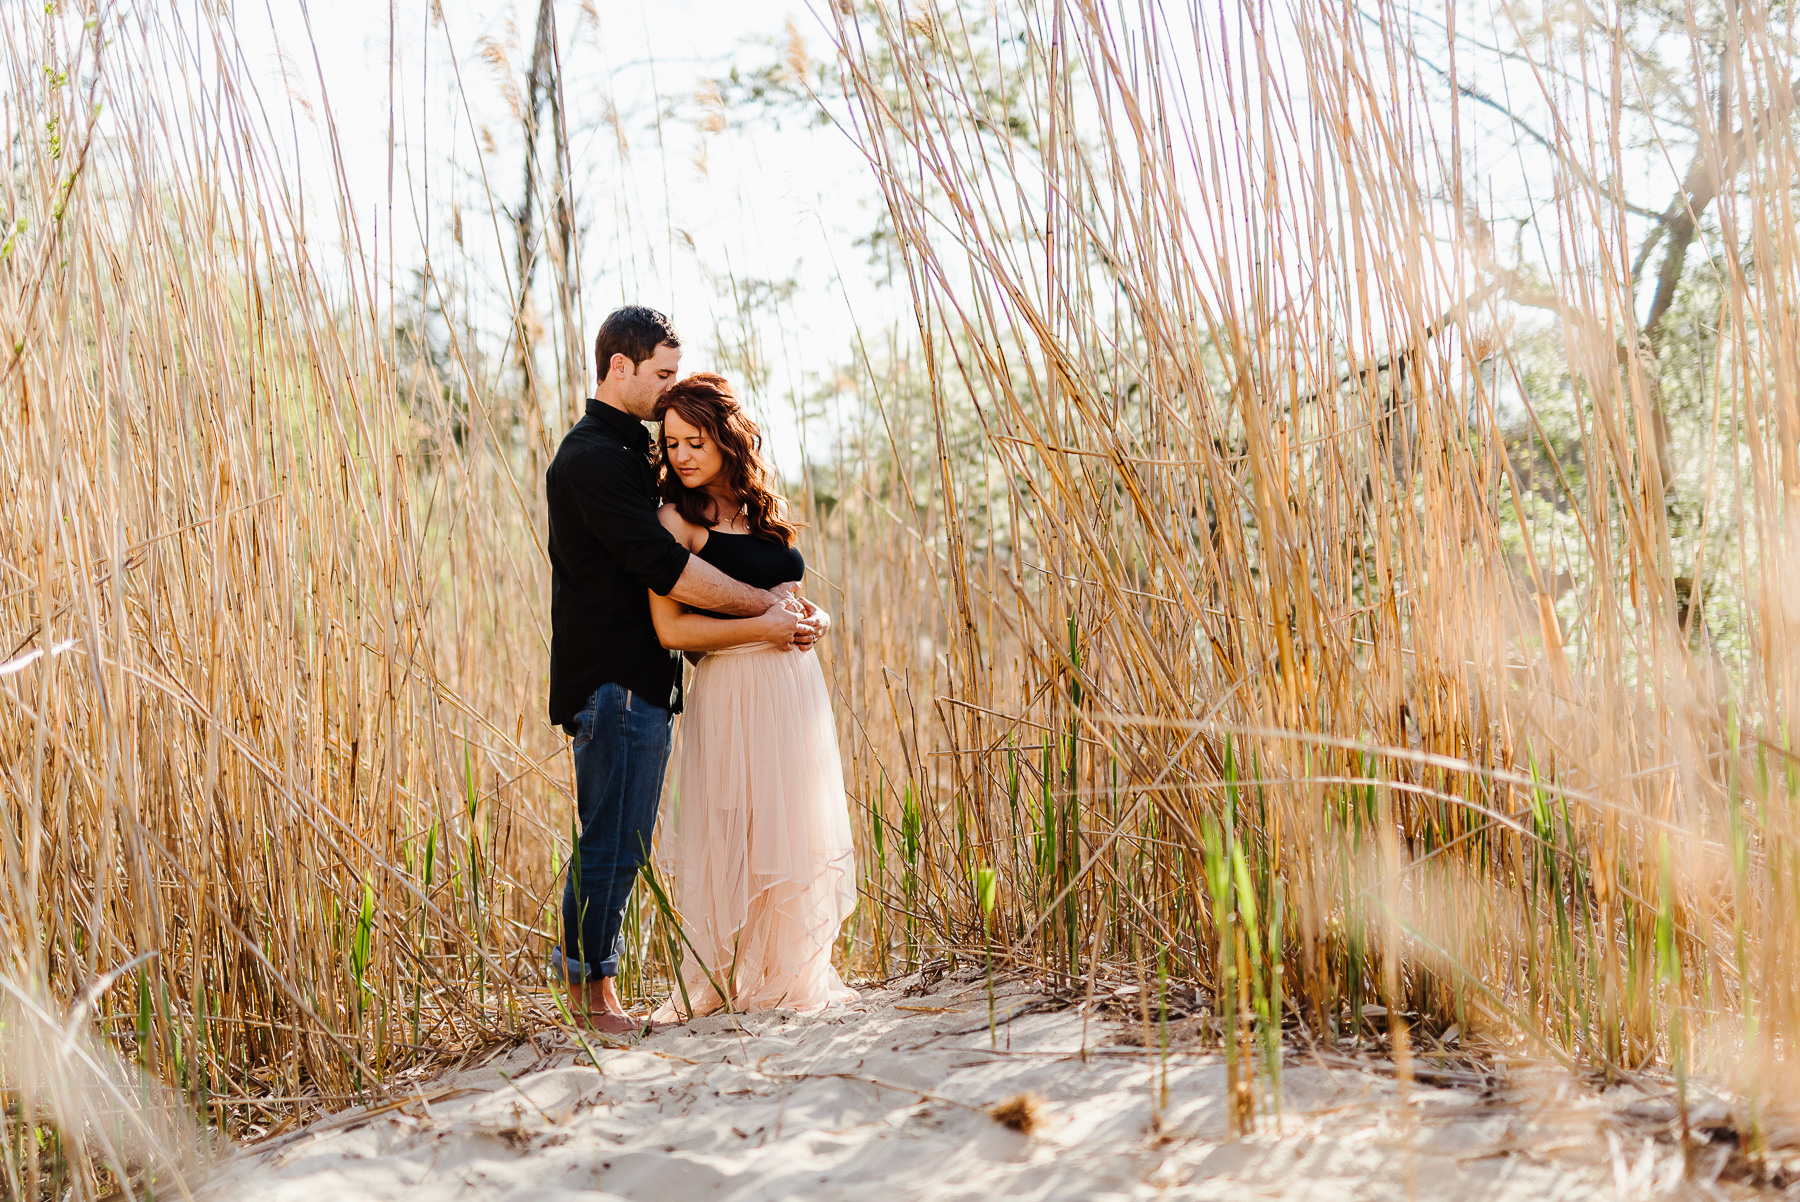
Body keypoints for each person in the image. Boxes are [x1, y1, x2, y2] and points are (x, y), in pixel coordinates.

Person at [545, 307, 828, 1035]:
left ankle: (598, 995)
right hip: (613, 680)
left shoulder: (630, 455)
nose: (669, 389)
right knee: (612, 836)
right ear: (619, 367)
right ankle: (588, 998)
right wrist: (766, 613)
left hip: (643, 682)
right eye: (662, 375)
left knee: (624, 836)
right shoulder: (592, 458)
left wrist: (788, 612)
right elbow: (664, 569)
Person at [645, 373, 858, 1018]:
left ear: (728, 441)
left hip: (793, 687)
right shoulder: (673, 520)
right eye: (672, 443)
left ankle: (787, 978)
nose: (681, 455)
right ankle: (716, 983)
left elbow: (789, 594)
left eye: (696, 442)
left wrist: (815, 621)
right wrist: (760, 626)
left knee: (788, 823)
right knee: (729, 827)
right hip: (730, 686)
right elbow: (671, 629)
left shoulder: (765, 508)